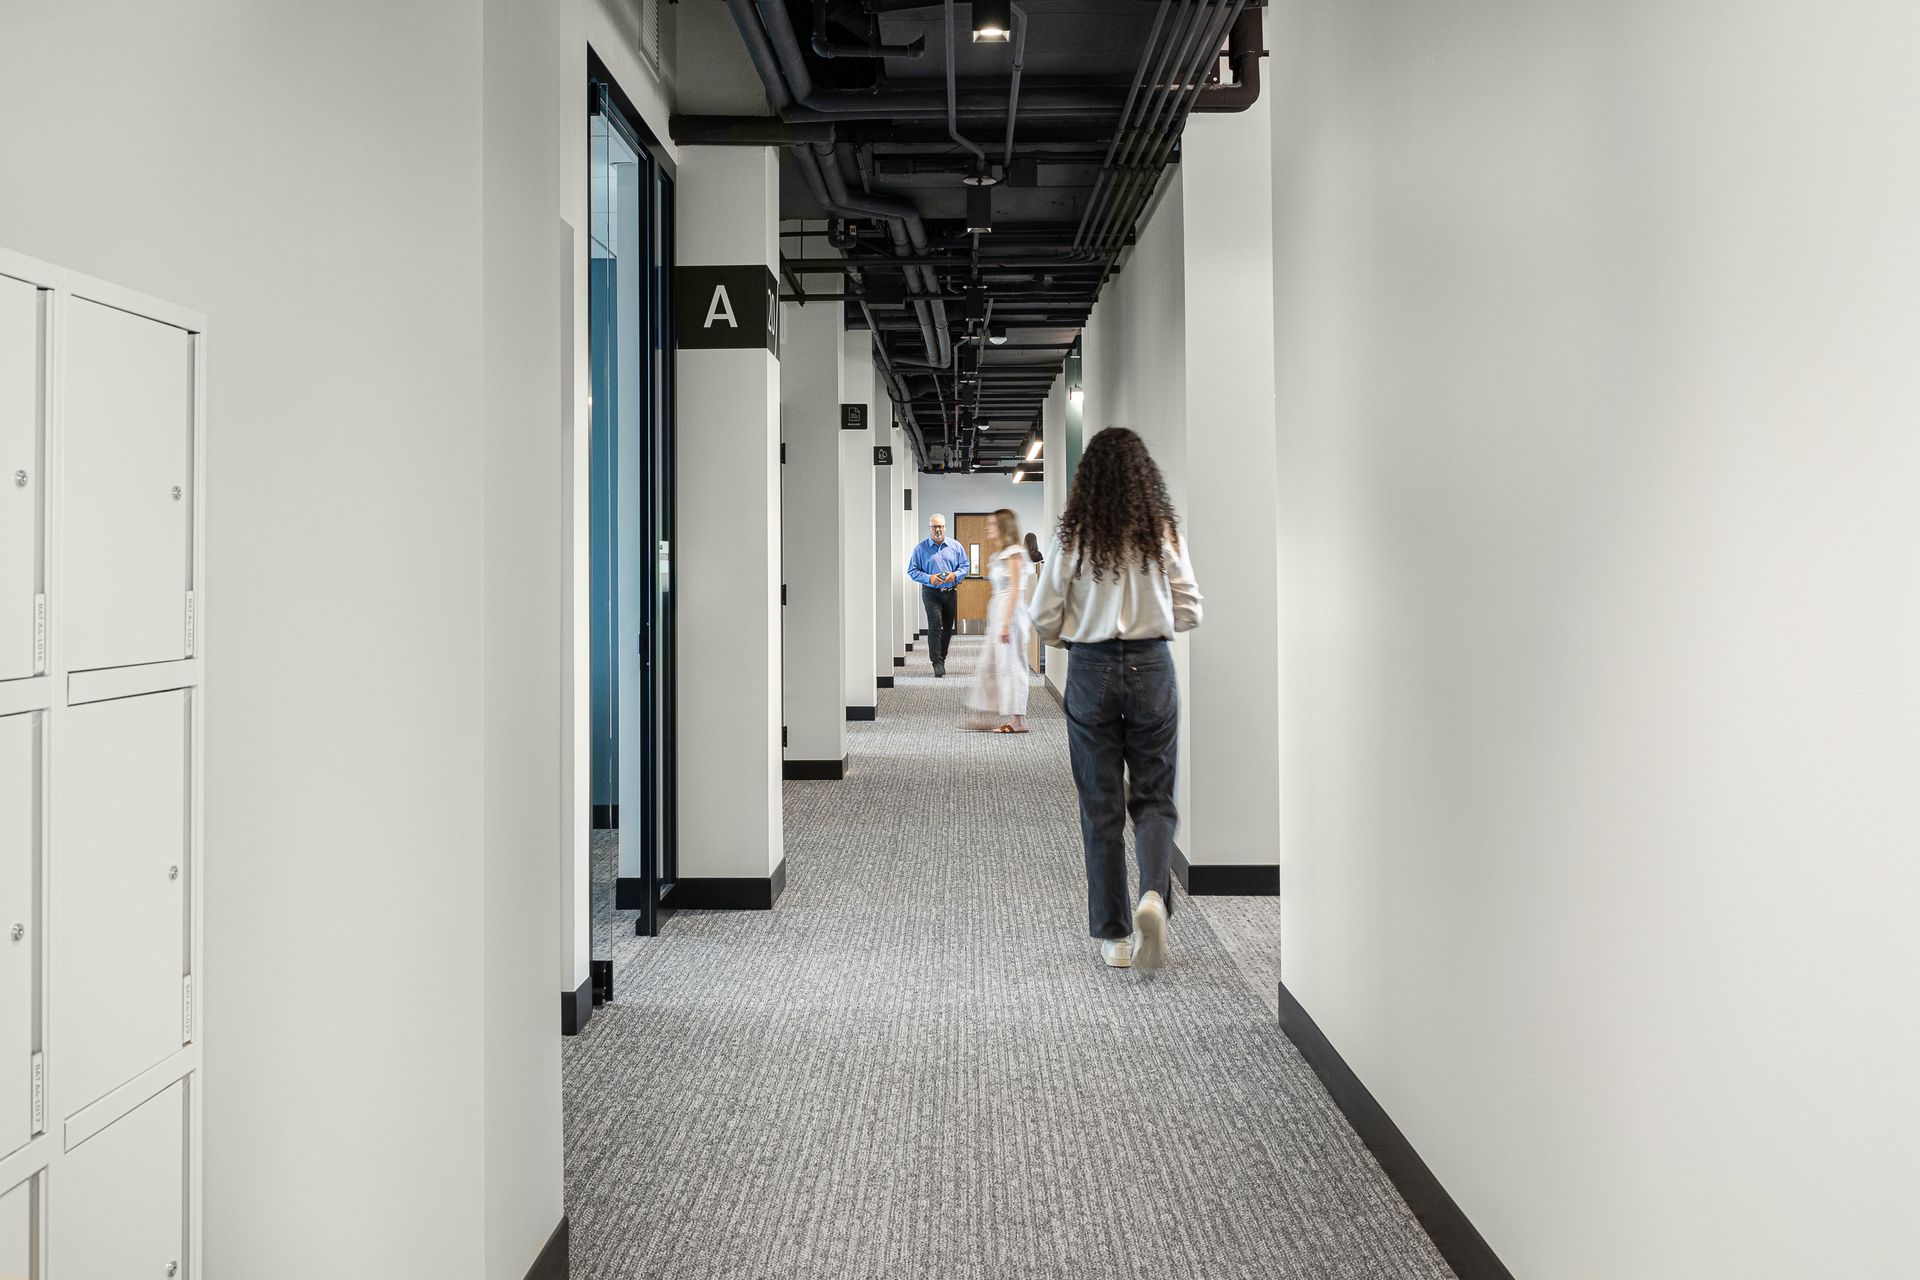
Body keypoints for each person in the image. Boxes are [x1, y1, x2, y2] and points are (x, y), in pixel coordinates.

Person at [1031, 428, 1203, 972]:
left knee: (1100, 806)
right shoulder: (1160, 531)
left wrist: (1071, 637)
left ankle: (1116, 937)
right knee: (1155, 796)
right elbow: (1191, 607)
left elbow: (1042, 615)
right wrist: (1153, 628)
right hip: (1152, 665)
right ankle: (1154, 893)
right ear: (1143, 478)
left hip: (1090, 667)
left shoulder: (1075, 536)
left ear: (1089, 480)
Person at [964, 508, 1032, 733]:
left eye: (993, 524)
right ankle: (987, 714)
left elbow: (1015, 589)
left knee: (1011, 666)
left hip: (1011, 614)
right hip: (999, 612)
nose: (988, 527)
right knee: (989, 665)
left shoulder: (1014, 553)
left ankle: (1019, 720)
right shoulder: (999, 554)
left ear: (1004, 527)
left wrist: (1005, 623)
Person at [906, 513, 969, 677]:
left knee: (947, 628)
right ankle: (936, 662)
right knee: (935, 625)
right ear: (930, 529)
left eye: (940, 526)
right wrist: (929, 578)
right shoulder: (921, 549)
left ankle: (942, 657)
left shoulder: (955, 546)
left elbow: (965, 566)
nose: (938, 529)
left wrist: (954, 575)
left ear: (945, 527)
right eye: (934, 527)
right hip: (930, 593)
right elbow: (912, 571)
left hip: (950, 592)